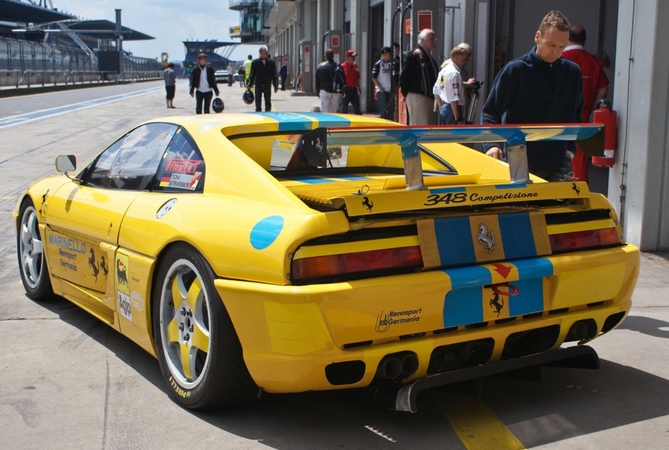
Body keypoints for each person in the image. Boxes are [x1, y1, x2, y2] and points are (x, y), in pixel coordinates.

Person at [481, 10, 583, 182]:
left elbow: (576, 115)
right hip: (519, 159)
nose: (556, 52)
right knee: (518, 209)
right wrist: (492, 145)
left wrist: (569, 150)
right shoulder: (515, 71)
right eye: (551, 44)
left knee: (560, 208)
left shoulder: (572, 73)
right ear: (537, 37)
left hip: (559, 160)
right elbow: (491, 112)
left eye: (561, 47)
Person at [562, 25, 610, 182]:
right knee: (579, 157)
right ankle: (579, 193)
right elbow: (603, 88)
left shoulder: (559, 58)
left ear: (567, 38)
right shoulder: (593, 61)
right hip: (582, 116)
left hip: (557, 116)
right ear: (585, 40)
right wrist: (593, 106)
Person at [399, 29, 440, 125]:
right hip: (418, 97)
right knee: (421, 127)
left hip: (429, 98)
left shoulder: (428, 56)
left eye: (434, 39)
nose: (434, 42)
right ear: (422, 40)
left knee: (428, 127)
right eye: (431, 39)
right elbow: (404, 77)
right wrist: (405, 94)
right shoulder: (415, 55)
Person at [434, 45, 474, 124]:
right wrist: (457, 118)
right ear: (456, 58)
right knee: (453, 135)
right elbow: (453, 97)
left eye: (467, 59)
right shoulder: (454, 74)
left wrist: (441, 107)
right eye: (464, 59)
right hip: (453, 110)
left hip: (445, 109)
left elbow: (436, 89)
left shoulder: (444, 71)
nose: (465, 62)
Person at [247, 46, 279, 112]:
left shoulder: (271, 63)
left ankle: (268, 115)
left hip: (267, 84)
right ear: (261, 53)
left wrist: (275, 85)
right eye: (265, 51)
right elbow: (252, 74)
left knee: (268, 101)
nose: (267, 52)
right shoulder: (255, 63)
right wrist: (250, 84)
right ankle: (258, 115)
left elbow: (274, 75)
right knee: (258, 102)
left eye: (266, 51)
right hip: (258, 84)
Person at [337, 49, 362, 115]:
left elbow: (357, 78)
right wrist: (340, 90)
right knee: (344, 109)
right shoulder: (342, 67)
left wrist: (359, 88)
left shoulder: (355, 66)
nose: (354, 58)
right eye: (352, 57)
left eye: (354, 57)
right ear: (347, 57)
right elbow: (339, 80)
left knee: (357, 109)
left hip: (354, 89)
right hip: (346, 89)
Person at [371, 46, 393, 119]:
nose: (390, 56)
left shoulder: (391, 64)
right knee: (383, 110)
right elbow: (373, 77)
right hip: (382, 91)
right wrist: (381, 89)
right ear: (384, 54)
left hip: (390, 90)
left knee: (390, 110)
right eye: (389, 54)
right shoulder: (378, 64)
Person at [315, 48, 339, 113]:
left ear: (325, 56)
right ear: (333, 56)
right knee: (333, 113)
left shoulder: (320, 67)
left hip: (324, 92)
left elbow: (317, 81)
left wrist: (318, 93)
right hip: (335, 92)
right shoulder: (337, 67)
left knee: (325, 113)